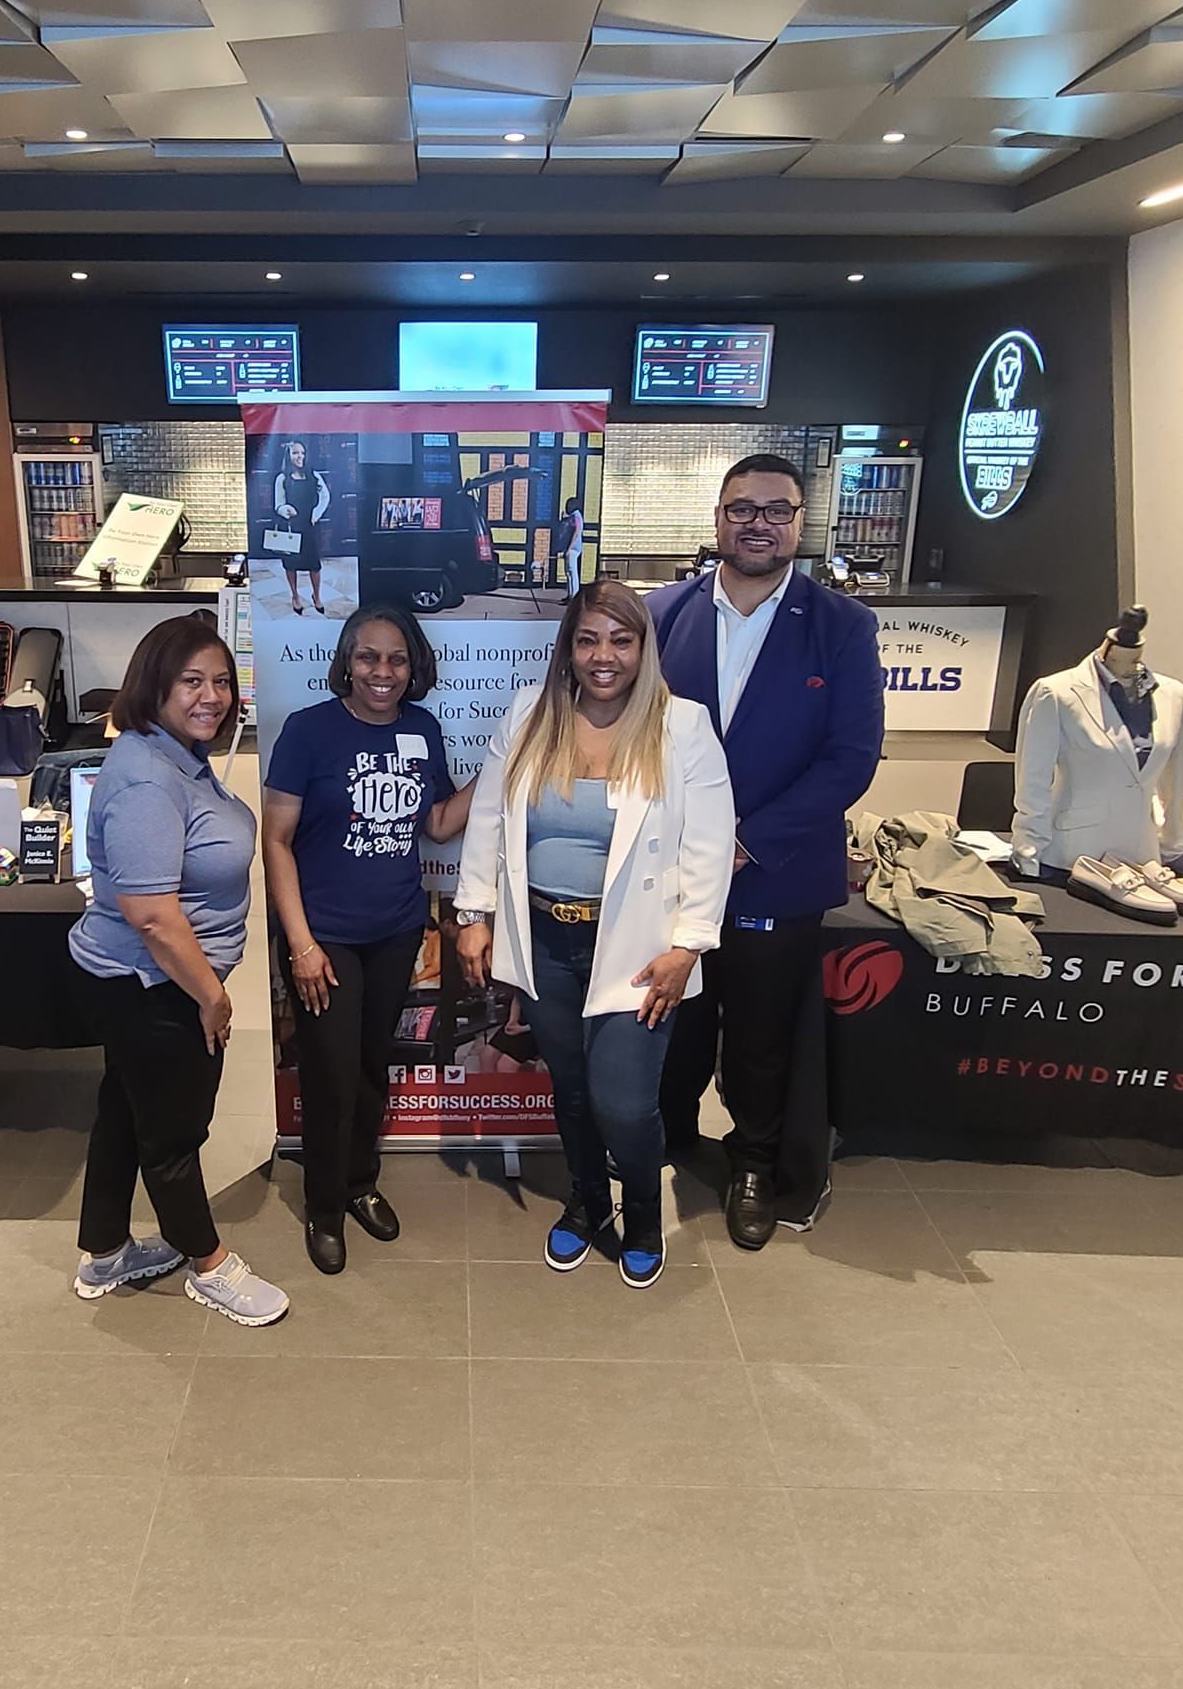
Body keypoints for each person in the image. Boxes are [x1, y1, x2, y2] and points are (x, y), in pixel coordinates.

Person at [455, 582, 735, 1288]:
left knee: (624, 1100)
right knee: (571, 1090)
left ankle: (641, 1210)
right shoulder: (529, 714)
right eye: (587, 640)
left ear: (643, 647)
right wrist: (474, 915)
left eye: (619, 640)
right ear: (568, 648)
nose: (602, 656)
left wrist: (689, 945)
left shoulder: (683, 727)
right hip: (546, 940)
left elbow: (709, 843)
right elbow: (489, 818)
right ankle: (587, 1199)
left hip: (640, 953)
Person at [649, 453, 885, 1250]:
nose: (758, 522)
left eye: (776, 509)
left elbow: (850, 758)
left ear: (798, 524)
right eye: (741, 508)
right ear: (717, 519)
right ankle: (668, 1136)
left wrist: (747, 841)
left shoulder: (843, 627)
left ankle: (752, 1163)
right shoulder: (660, 614)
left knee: (759, 1030)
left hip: (774, 872)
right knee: (672, 1016)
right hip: (670, 869)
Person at [67, 613, 288, 1326]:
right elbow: (153, 916)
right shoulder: (146, 779)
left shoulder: (169, 757)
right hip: (154, 987)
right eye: (192, 681)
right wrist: (213, 998)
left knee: (124, 1115)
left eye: (222, 681)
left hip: (146, 984)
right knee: (173, 1134)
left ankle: (103, 1253)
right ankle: (210, 1266)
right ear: (154, 685)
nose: (211, 696)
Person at [262, 603, 473, 1274]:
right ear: (346, 663)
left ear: (414, 668)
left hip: (395, 929)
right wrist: (300, 944)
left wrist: (501, 768)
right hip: (323, 938)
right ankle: (324, 1207)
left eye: (396, 658)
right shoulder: (309, 731)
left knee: (370, 1066)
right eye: (368, 656)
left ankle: (359, 1181)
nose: (382, 671)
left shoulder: (422, 728)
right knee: (328, 1073)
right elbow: (275, 839)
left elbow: (437, 823)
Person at [273, 439, 330, 615]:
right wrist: (285, 510)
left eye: (302, 453)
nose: (300, 456)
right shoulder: (282, 478)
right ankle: (295, 596)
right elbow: (278, 504)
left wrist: (316, 514)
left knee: (315, 565)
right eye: (296, 453)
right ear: (288, 456)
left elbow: (325, 496)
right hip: (290, 527)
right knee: (291, 565)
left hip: (308, 525)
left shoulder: (313, 475)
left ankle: (317, 596)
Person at [559, 494, 585, 599]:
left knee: (572, 571)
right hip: (570, 548)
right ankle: (570, 594)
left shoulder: (576, 516)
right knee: (568, 572)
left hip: (573, 548)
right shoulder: (573, 516)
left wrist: (569, 548)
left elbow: (577, 531)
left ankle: (574, 595)